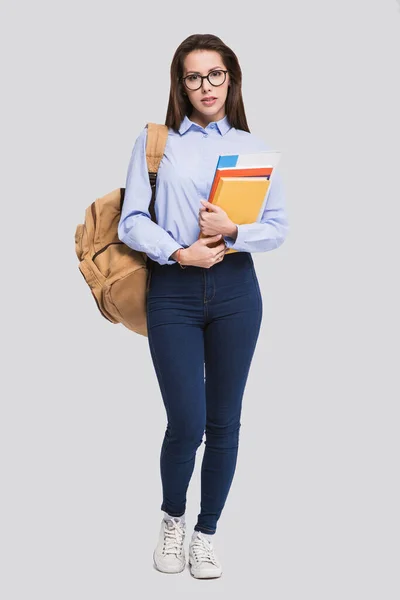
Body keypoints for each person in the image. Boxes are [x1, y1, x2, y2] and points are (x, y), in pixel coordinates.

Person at [118, 33, 289, 579]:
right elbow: (130, 220)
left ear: (231, 78)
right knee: (186, 422)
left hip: (238, 292)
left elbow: (278, 228)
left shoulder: (252, 146)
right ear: (180, 84)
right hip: (173, 291)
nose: (206, 86)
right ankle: (172, 518)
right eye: (193, 77)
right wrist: (178, 251)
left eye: (215, 74)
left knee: (225, 422)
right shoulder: (157, 142)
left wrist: (234, 230)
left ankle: (206, 532)